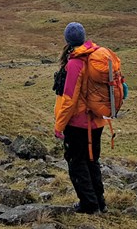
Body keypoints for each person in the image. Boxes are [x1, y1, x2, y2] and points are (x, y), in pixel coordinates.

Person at [54, 22, 108, 214]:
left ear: (67, 40)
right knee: (92, 160)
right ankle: (100, 202)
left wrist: (59, 125)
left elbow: (69, 99)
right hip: (97, 121)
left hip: (78, 124)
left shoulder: (75, 63)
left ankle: (89, 205)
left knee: (77, 163)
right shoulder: (97, 57)